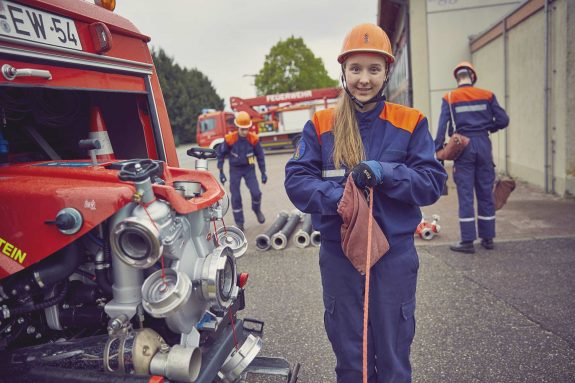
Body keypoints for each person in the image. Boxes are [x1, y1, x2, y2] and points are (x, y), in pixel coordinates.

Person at [284, 23, 447, 383]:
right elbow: (297, 181)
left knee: (392, 354)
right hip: (340, 257)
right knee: (350, 356)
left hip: (394, 257)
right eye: (355, 68)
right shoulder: (322, 124)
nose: (364, 79)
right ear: (342, 71)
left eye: (374, 69)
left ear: (387, 71)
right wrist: (345, 200)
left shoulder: (410, 122)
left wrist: (387, 173)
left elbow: (433, 182)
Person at [434, 61, 509, 254]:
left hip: (463, 146)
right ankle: (488, 238)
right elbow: (503, 120)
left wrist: (437, 152)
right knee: (485, 191)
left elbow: (442, 127)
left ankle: (467, 241)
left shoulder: (449, 97)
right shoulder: (487, 95)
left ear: (457, 78)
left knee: (466, 194)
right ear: (472, 77)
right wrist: (487, 128)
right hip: (483, 144)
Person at [217, 111, 267, 231]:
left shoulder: (253, 139)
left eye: (247, 129)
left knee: (256, 193)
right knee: (236, 196)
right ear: (237, 127)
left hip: (249, 169)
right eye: (242, 129)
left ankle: (256, 209)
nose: (245, 131)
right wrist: (221, 171)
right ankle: (239, 222)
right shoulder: (230, 139)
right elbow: (221, 154)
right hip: (235, 169)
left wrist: (263, 172)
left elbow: (260, 156)